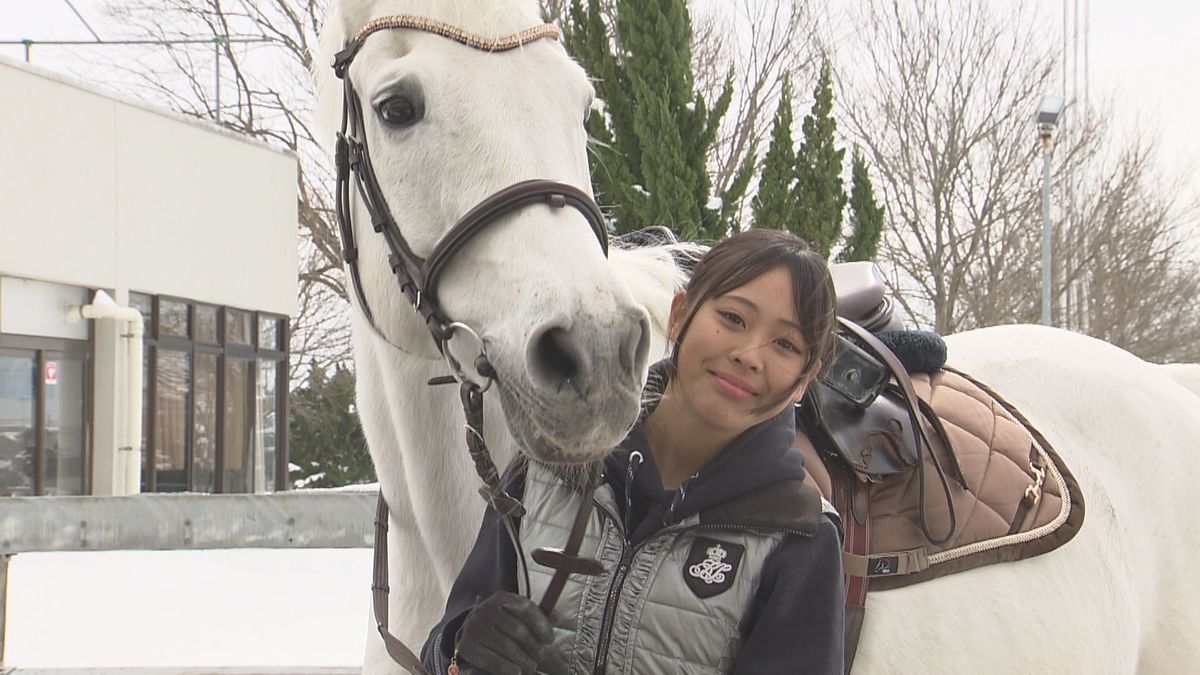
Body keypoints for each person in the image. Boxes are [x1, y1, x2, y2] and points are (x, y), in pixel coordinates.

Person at [421, 228, 845, 675]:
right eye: (734, 318)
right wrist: (461, 644)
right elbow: (441, 650)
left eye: (785, 345)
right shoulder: (551, 459)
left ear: (803, 379)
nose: (748, 355)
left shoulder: (800, 534)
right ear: (679, 314)